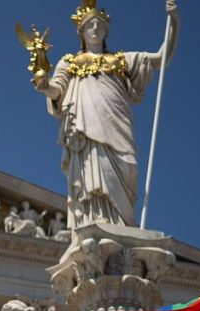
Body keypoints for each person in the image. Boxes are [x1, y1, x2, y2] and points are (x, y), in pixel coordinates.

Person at [36, 0, 180, 227]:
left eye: (100, 25)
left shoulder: (121, 60)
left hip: (116, 123)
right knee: (91, 176)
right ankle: (96, 222)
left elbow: (162, 58)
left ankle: (123, 226)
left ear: (106, 31)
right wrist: (45, 86)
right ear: (81, 32)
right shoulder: (69, 62)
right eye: (90, 25)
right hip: (85, 128)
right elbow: (57, 90)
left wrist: (174, 21)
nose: (95, 28)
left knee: (128, 167)